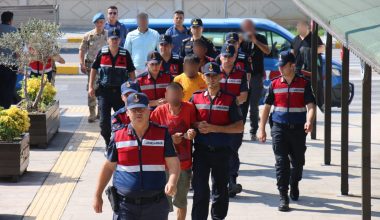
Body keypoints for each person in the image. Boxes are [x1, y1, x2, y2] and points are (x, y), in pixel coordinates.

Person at [93, 92, 180, 220]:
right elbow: (108, 167)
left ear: (149, 110)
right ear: (127, 112)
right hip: (125, 207)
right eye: (134, 110)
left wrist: (172, 181)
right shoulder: (118, 136)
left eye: (142, 109)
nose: (138, 113)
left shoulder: (162, 134)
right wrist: (97, 195)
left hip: (155, 206)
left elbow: (173, 163)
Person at [257, 50, 316, 212]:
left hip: (298, 129)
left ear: (292, 65)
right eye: (280, 66)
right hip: (279, 128)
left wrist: (309, 121)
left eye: (283, 66)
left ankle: (294, 182)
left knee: (298, 163)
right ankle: (283, 196)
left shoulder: (304, 83)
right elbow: (266, 108)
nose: (280, 68)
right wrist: (261, 129)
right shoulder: (274, 84)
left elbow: (311, 106)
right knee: (281, 163)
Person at [190, 62, 244, 220]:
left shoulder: (229, 99)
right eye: (208, 75)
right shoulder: (196, 97)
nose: (211, 79)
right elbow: (190, 121)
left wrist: (215, 128)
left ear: (220, 76)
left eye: (214, 75)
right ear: (204, 77)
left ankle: (218, 218)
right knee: (200, 190)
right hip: (201, 151)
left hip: (222, 151)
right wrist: (197, 125)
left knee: (220, 190)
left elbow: (239, 127)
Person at [150, 83, 197, 220]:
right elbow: (151, 134)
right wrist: (170, 140)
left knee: (181, 202)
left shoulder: (189, 108)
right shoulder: (159, 111)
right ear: (165, 95)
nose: (174, 96)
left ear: (182, 95)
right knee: (163, 203)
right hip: (163, 166)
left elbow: (195, 126)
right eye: (171, 94)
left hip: (184, 164)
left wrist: (191, 133)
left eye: (177, 93)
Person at [89, 28, 136, 146]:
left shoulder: (125, 54)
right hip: (104, 92)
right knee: (104, 123)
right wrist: (90, 86)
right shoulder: (102, 52)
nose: (114, 41)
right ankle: (107, 142)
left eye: (116, 39)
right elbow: (94, 69)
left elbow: (131, 72)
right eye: (112, 39)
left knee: (123, 119)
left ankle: (120, 141)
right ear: (108, 39)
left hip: (120, 93)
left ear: (120, 40)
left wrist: (134, 89)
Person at [219, 43, 248, 198]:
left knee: (232, 150)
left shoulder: (241, 74)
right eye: (225, 56)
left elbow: (243, 96)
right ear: (220, 56)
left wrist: (226, 103)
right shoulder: (213, 72)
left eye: (230, 56)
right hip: (217, 118)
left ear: (235, 57)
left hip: (235, 118)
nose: (227, 59)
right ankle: (223, 182)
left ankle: (231, 181)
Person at [240, 19, 271, 141]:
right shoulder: (242, 39)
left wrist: (255, 41)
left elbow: (267, 51)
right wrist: (240, 41)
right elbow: (234, 51)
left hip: (256, 77)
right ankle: (239, 130)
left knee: (254, 106)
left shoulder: (260, 38)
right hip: (243, 77)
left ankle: (253, 131)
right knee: (243, 105)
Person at [216, 32, 252, 122]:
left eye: (234, 42)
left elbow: (248, 76)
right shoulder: (219, 58)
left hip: (238, 96)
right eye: (229, 42)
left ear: (238, 43)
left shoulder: (244, 57)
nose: (232, 44)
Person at [79, 12, 108, 122]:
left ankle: (100, 112)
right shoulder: (88, 36)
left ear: (104, 22)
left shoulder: (108, 35)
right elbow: (82, 50)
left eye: (101, 22)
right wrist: (81, 63)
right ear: (94, 23)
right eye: (97, 22)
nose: (100, 24)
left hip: (105, 67)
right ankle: (92, 112)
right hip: (91, 66)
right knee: (91, 89)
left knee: (103, 89)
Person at [0, 11, 17, 109]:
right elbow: (17, 50)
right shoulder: (13, 30)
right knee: (8, 88)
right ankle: (5, 108)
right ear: (10, 20)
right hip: (10, 65)